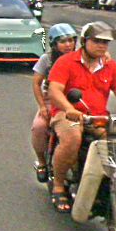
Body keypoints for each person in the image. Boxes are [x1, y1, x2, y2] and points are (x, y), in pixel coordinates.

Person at [46, 20, 116, 212]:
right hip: (67, 115)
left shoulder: (111, 66)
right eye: (96, 41)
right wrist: (68, 108)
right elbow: (54, 90)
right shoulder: (66, 62)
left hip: (98, 117)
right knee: (72, 138)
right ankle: (58, 185)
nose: (101, 46)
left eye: (105, 42)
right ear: (84, 41)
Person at [30, 23, 77, 181]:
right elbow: (36, 83)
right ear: (54, 44)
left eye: (71, 40)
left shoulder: (81, 58)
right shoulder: (47, 59)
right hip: (52, 102)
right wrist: (42, 107)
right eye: (63, 41)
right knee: (39, 127)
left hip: (76, 102)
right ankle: (42, 162)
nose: (68, 45)